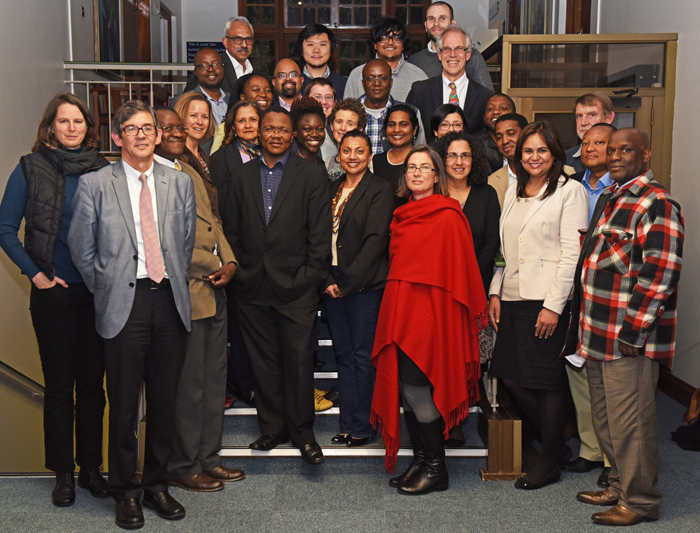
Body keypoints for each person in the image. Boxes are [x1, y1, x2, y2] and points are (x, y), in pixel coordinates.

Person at [67, 100, 196, 529]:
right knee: (123, 405)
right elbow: (80, 249)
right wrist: (105, 283)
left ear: (159, 135)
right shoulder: (95, 184)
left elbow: (184, 241)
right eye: (132, 129)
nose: (141, 135)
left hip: (170, 300)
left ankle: (157, 484)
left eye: (148, 128)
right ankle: (125, 490)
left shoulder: (178, 184)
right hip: (124, 303)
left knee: (164, 402)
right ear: (117, 137)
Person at [564, 128, 684, 526]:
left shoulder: (656, 203)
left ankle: (641, 501)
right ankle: (617, 486)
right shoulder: (615, 198)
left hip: (627, 339)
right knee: (607, 419)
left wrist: (635, 331)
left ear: (645, 154)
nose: (613, 156)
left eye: (624, 150)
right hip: (597, 334)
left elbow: (660, 273)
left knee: (630, 422)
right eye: (610, 149)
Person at [0, 93, 110, 507]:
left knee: (93, 389)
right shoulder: (30, 168)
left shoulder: (103, 169)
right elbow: (5, 228)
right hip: (53, 297)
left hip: (97, 295)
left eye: (78, 121)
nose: (71, 128)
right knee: (61, 388)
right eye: (63, 121)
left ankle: (91, 470)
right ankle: (63, 474)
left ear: (87, 126)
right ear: (50, 126)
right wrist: (36, 275)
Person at [371, 145, 486, 495]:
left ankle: (437, 469)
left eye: (425, 167)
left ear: (437, 175)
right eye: (411, 167)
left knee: (420, 390)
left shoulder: (450, 215)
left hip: (434, 319)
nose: (417, 172)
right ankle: (421, 461)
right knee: (406, 390)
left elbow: (459, 275)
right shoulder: (401, 215)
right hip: (402, 314)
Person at [220, 105, 331, 464]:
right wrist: (242, 273)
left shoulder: (311, 175)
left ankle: (303, 433)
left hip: (296, 289)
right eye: (270, 129)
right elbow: (231, 232)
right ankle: (272, 428)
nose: (277, 135)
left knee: (298, 362)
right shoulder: (240, 175)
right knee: (263, 362)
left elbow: (319, 235)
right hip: (252, 287)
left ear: (293, 134)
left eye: (284, 130)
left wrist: (308, 279)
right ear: (258, 134)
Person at [488, 120, 589, 491]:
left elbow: (570, 255)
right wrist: (496, 291)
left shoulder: (569, 191)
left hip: (546, 301)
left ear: (555, 153)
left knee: (547, 382)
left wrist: (554, 305)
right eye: (527, 150)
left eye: (541, 150)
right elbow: (504, 250)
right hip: (513, 298)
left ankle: (548, 459)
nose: (533, 157)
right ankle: (555, 444)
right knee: (511, 375)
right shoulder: (514, 190)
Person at [152, 107, 245, 493]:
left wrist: (232, 262)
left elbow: (214, 223)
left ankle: (208, 459)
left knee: (212, 381)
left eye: (178, 126)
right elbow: (164, 238)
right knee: (189, 387)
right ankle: (183, 463)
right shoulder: (152, 178)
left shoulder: (187, 169)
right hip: (185, 292)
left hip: (214, 290)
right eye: (167, 127)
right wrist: (213, 263)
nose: (176, 131)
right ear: (153, 134)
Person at [324, 130, 394, 447]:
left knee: (362, 356)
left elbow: (375, 241)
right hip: (333, 285)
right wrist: (327, 279)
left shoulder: (379, 189)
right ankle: (346, 424)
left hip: (364, 287)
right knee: (343, 355)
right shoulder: (332, 190)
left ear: (369, 155)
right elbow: (319, 238)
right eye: (347, 150)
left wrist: (346, 283)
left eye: (360, 151)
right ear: (339, 154)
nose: (352, 156)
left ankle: (364, 426)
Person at [435, 131, 500, 446]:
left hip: (474, 291)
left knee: (467, 360)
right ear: (442, 160)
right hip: (438, 292)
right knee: (440, 359)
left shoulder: (486, 195)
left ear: (473, 160)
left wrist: (470, 277)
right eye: (452, 155)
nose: (458, 162)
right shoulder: (433, 195)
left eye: (465, 155)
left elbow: (491, 243)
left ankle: (459, 417)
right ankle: (441, 418)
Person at [561, 123, 616, 480]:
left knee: (611, 379)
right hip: (576, 289)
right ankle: (590, 448)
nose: (592, 148)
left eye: (601, 142)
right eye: (586, 142)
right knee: (577, 369)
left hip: (610, 294)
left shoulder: (624, 189)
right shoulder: (574, 186)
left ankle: (614, 461)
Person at [210, 100, 262, 408]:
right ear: (232, 126)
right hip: (235, 249)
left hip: (264, 251)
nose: (247, 125)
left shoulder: (273, 156)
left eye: (253, 119)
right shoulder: (222, 158)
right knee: (240, 325)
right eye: (241, 120)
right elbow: (223, 208)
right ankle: (242, 382)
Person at [407, 24, 494, 143]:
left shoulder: (485, 97)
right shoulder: (420, 91)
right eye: (447, 48)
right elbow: (409, 133)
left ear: (468, 54)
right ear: (439, 54)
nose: (452, 54)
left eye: (459, 48)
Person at [407, 1, 494, 91]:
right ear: (426, 25)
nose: (436, 23)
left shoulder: (471, 57)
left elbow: (488, 99)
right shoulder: (415, 62)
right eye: (431, 19)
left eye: (442, 18)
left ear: (453, 24)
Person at [344, 17, 428, 102]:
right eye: (384, 37)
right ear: (375, 45)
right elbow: (346, 112)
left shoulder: (418, 76)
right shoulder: (358, 75)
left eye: (396, 37)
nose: (390, 43)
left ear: (403, 45)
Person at [359, 59, 426, 155]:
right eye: (370, 78)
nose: (377, 83)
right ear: (363, 83)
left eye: (383, 78)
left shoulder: (411, 112)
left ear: (391, 82)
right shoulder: (349, 113)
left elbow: (421, 151)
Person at [173, 92, 218, 220]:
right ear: (181, 118)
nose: (200, 122)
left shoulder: (205, 158)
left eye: (205, 117)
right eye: (193, 116)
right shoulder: (177, 159)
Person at [184, 17, 255, 95]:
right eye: (238, 39)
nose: (244, 45)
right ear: (225, 42)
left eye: (248, 39)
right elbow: (187, 99)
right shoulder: (211, 68)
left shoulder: (255, 72)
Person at [212, 73, 273, 153]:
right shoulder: (224, 129)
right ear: (242, 97)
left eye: (267, 90)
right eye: (256, 90)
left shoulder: (276, 126)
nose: (263, 94)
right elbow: (216, 161)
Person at [372, 104, 419, 197]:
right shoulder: (375, 161)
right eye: (392, 124)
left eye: (403, 124)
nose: (397, 129)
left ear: (414, 129)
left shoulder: (423, 161)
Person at [173, 48, 228, 127]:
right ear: (195, 72)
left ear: (223, 68)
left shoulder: (233, 99)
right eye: (203, 65)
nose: (211, 69)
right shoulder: (182, 101)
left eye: (216, 64)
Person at [565, 92, 615, 173]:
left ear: (609, 118)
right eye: (579, 116)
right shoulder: (565, 159)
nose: (583, 122)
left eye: (592, 115)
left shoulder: (626, 158)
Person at [488, 113, 528, 207]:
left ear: (526, 134)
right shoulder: (491, 182)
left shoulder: (565, 173)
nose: (505, 141)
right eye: (499, 137)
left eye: (511, 134)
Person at [298, 23, 347, 99]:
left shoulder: (343, 84)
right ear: (301, 51)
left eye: (322, 44)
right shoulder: (295, 84)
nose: (316, 50)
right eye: (310, 44)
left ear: (331, 50)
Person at [326, 98, 368, 182]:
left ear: (360, 129)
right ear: (331, 125)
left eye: (350, 124)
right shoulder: (328, 162)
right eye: (339, 122)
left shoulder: (369, 162)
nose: (343, 128)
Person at [476, 93, 516, 173]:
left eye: (503, 108)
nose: (496, 111)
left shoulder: (524, 140)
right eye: (490, 109)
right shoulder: (475, 143)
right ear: (484, 118)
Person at [305, 78, 338, 160]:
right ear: (306, 100)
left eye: (328, 97)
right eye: (317, 96)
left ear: (335, 102)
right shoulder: (298, 134)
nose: (323, 102)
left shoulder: (338, 132)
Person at [291, 96, 326, 165]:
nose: (314, 134)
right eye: (307, 129)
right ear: (295, 132)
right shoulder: (290, 166)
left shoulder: (320, 163)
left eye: (320, 129)